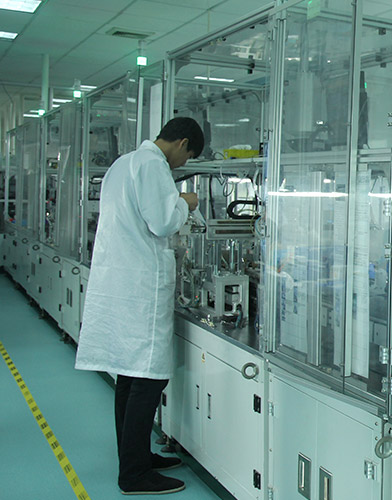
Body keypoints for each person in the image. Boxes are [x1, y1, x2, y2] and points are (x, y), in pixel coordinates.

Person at [75, 117, 203, 495]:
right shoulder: (152, 165)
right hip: (140, 286)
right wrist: (185, 202)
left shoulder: (124, 163)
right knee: (148, 379)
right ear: (181, 143)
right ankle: (134, 474)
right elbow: (163, 223)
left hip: (123, 284)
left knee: (130, 376)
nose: (183, 163)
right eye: (188, 156)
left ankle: (135, 457)